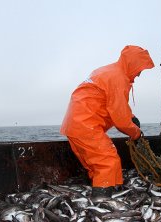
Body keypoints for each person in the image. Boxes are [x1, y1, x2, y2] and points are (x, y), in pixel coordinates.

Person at [60, 45, 154, 200]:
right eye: (140, 69)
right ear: (133, 64)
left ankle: (103, 190)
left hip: (74, 125)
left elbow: (114, 104)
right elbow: (121, 120)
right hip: (86, 125)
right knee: (107, 160)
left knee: (96, 163)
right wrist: (136, 134)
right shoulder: (118, 78)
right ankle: (101, 201)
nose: (139, 74)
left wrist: (132, 117)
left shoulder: (108, 72)